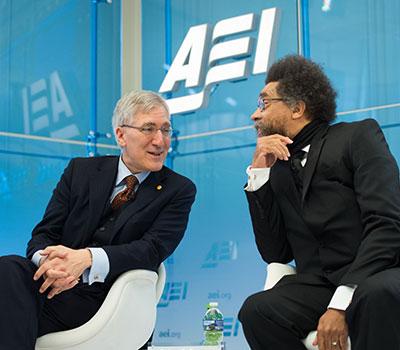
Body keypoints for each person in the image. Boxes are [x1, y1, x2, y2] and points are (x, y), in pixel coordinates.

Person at [0, 90, 196, 350]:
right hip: (49, 286)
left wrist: (87, 259)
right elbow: (44, 234)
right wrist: (51, 266)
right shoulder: (80, 171)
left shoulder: (178, 189)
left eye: (166, 130)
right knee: (9, 268)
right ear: (121, 135)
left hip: (105, 300)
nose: (160, 141)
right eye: (149, 129)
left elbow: (152, 250)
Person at [238, 55, 400, 350]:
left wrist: (340, 304)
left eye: (264, 103)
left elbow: (386, 224)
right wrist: (259, 173)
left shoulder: (357, 136)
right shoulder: (277, 168)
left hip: (377, 273)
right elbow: (276, 251)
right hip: (318, 285)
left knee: (376, 295)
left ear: (297, 107)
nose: (255, 115)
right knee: (256, 310)